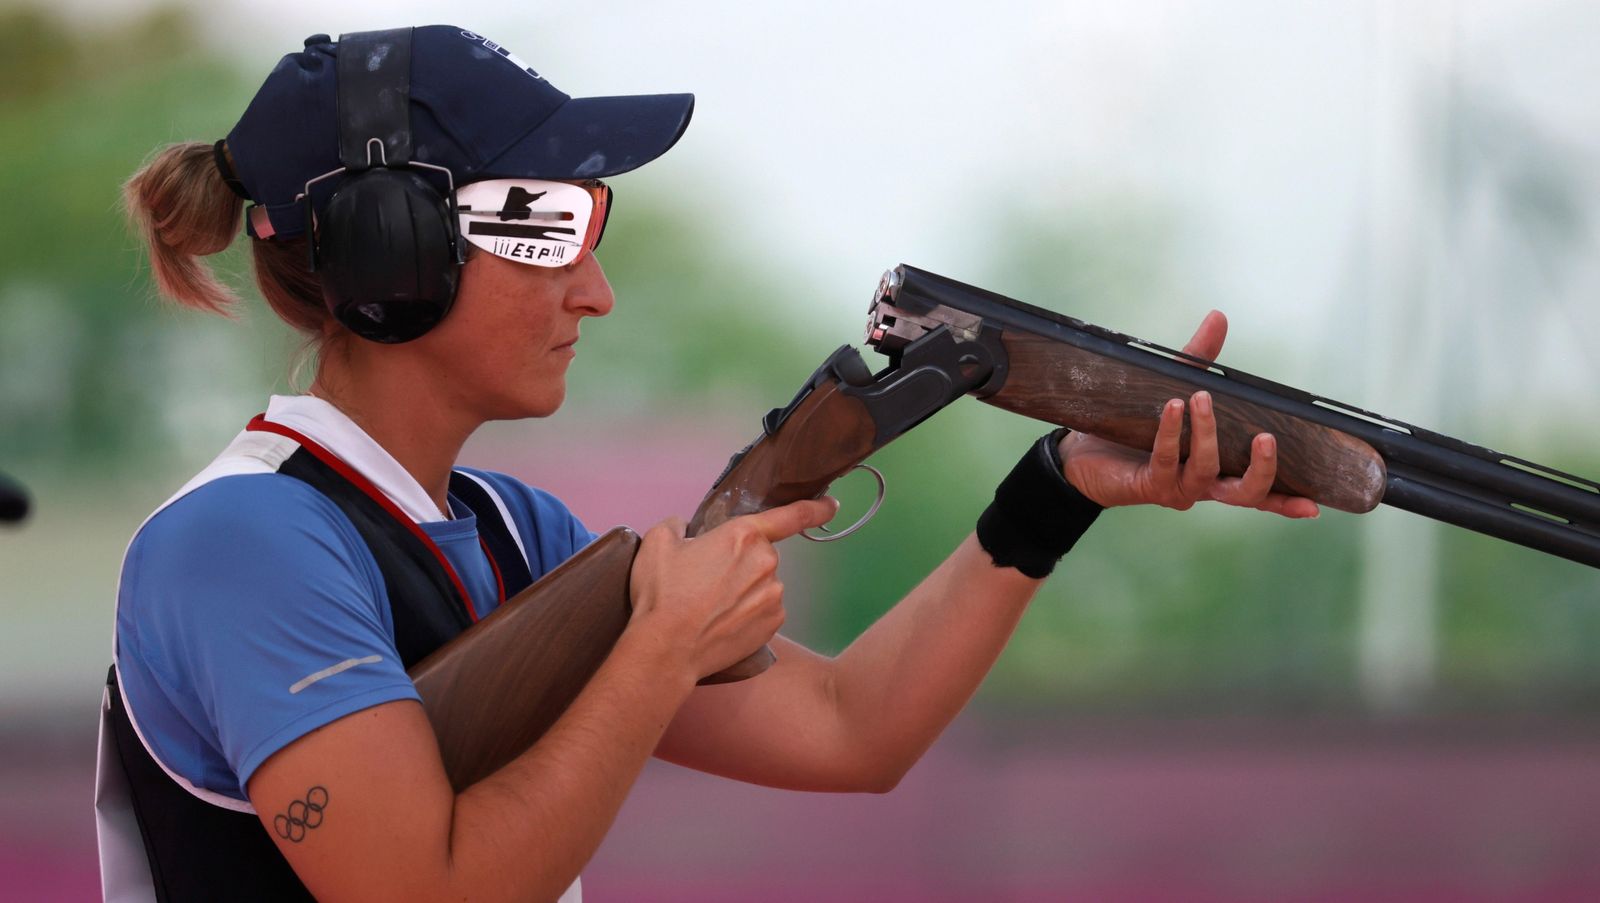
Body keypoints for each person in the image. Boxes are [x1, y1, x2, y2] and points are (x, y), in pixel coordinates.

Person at [96, 25, 1318, 903]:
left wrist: (1054, 488)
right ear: (391, 244)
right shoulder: (242, 541)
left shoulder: (517, 532)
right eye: (547, 224)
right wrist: (656, 649)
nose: (597, 288)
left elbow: (853, 731)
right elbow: (424, 891)